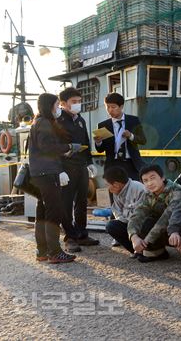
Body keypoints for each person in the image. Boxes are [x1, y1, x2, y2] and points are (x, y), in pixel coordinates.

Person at [29, 93, 78, 264]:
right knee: (53, 212)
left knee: (42, 212)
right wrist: (69, 147)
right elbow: (47, 147)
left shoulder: (37, 121)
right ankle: (55, 252)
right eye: (57, 105)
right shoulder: (44, 122)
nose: (58, 109)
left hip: (39, 174)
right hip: (48, 173)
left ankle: (42, 251)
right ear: (49, 106)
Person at [57, 87, 99, 253]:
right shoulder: (58, 121)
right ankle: (69, 238)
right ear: (63, 103)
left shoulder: (80, 120)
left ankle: (81, 234)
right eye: (74, 102)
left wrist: (89, 162)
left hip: (81, 166)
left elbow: (86, 142)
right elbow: (54, 147)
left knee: (82, 201)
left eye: (79, 101)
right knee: (66, 203)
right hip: (66, 167)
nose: (77, 105)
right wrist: (59, 169)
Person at [127, 164, 181, 262]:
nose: (149, 183)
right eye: (145, 181)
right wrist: (134, 237)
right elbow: (137, 215)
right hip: (165, 231)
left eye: (152, 178)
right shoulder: (148, 194)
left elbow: (165, 219)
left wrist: (145, 241)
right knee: (146, 221)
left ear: (162, 177)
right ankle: (157, 253)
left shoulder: (177, 191)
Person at [94, 92, 146, 180]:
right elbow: (100, 150)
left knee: (134, 191)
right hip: (113, 165)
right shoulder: (103, 125)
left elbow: (143, 140)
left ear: (121, 106)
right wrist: (98, 142)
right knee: (114, 192)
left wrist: (131, 136)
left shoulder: (133, 120)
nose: (110, 110)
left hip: (132, 164)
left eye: (113, 107)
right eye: (108, 107)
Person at [103, 166, 147, 255]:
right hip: (129, 222)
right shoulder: (116, 191)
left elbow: (140, 215)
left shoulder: (139, 189)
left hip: (142, 224)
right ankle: (137, 251)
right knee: (111, 226)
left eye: (107, 185)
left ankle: (147, 249)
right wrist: (122, 220)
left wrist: (126, 221)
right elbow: (116, 211)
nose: (107, 188)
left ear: (116, 184)